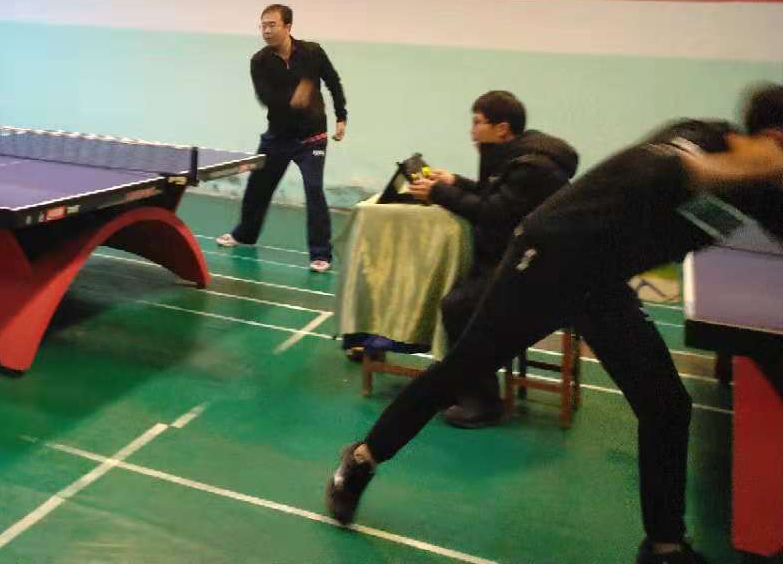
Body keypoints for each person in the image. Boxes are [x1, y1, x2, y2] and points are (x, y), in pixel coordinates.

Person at [325, 84, 783, 564]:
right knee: (460, 370)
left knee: (666, 406)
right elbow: (656, 169)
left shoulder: (761, 193)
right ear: (772, 138)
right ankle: (361, 460)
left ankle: (664, 546)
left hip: (600, 284)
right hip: (544, 260)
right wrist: (734, 169)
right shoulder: (698, 139)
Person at [406, 90, 577, 427]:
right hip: (521, 259)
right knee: (461, 295)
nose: (472, 131)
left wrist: (438, 192)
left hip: (541, 272)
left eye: (477, 123)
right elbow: (500, 197)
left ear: (502, 129)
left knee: (459, 307)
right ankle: (459, 384)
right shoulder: (521, 157)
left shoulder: (531, 167)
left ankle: (483, 402)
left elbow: (493, 212)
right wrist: (455, 182)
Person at [218, 3, 347, 270]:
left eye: (272, 25)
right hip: (277, 138)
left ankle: (321, 254)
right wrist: (293, 100)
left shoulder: (312, 52)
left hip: (312, 138)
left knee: (314, 189)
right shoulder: (259, 61)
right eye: (263, 26)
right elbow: (265, 97)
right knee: (257, 187)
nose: (266, 31)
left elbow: (333, 81)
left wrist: (341, 116)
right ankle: (245, 235)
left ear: (287, 26)